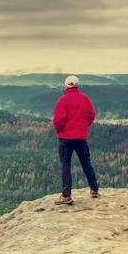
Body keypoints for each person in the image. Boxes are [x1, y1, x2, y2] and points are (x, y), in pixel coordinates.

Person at [52, 75, 99, 205]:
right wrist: (83, 126)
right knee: (86, 162)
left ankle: (66, 196)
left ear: (66, 85)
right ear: (78, 85)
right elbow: (91, 115)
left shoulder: (62, 100)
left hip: (65, 138)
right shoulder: (85, 99)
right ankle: (94, 189)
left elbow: (58, 120)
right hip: (80, 137)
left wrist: (59, 130)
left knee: (66, 164)